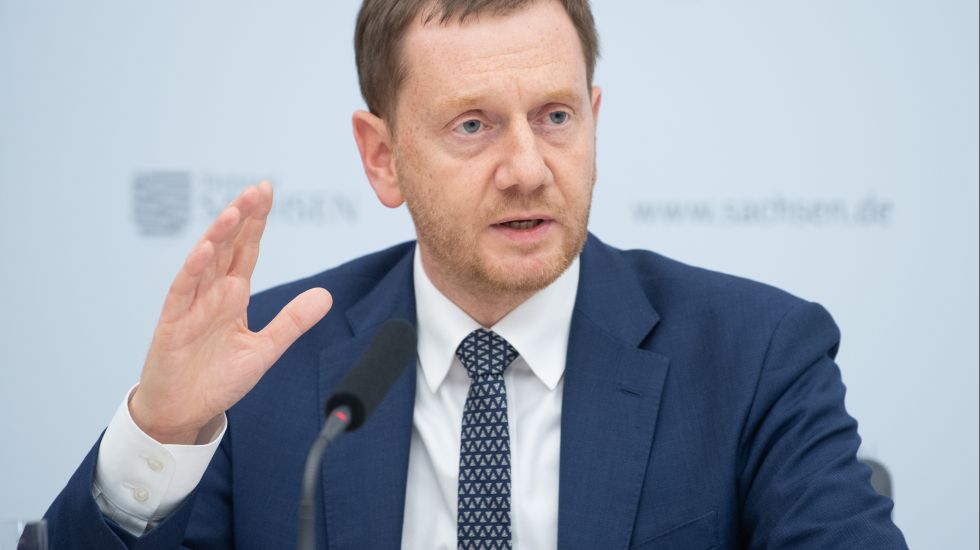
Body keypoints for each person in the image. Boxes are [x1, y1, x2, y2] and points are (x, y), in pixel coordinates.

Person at [44, 0, 908, 548]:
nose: (528, 169)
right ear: (382, 157)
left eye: (556, 117)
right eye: (473, 126)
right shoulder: (269, 367)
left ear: (594, 120)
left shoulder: (753, 354)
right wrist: (162, 434)